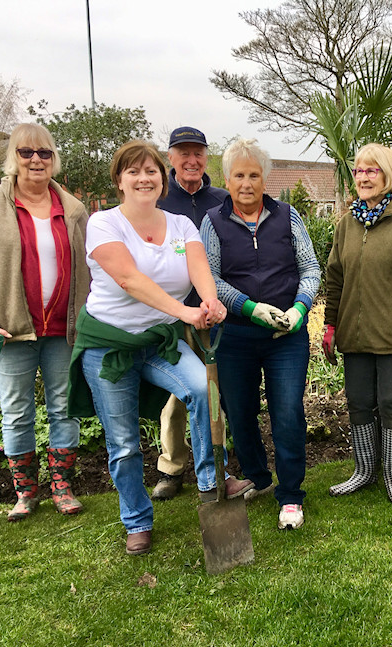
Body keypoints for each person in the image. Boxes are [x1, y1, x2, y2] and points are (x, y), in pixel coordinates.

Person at [68, 140, 225, 555]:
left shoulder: (180, 225)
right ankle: (136, 520)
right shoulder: (104, 224)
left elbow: (199, 268)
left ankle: (211, 485)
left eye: (151, 171)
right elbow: (129, 280)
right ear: (119, 180)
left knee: (203, 392)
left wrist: (208, 301)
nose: (144, 178)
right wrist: (185, 312)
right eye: (133, 171)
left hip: (159, 343)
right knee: (124, 444)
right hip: (109, 346)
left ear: (162, 178)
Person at [0, 123, 90, 522]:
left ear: (53, 159)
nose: (36, 160)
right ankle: (26, 492)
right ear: (14, 157)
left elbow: (91, 272)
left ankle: (62, 485)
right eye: (27, 152)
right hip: (8, 334)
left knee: (64, 408)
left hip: (63, 331)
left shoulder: (74, 210)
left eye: (44, 153)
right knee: (16, 411)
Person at [200, 138, 320, 530]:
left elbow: (310, 268)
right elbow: (210, 279)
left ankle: (290, 495)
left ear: (264, 178)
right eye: (239, 175)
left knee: (287, 412)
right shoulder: (213, 222)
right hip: (235, 336)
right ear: (227, 179)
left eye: (254, 174)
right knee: (240, 413)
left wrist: (299, 308)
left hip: (285, 337)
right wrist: (250, 308)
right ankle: (258, 475)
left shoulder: (288, 216)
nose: (247, 183)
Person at [323, 143, 392, 505]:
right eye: (358, 170)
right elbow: (335, 277)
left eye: (371, 170)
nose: (363, 177)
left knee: (390, 403)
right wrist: (330, 326)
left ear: (388, 175)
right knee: (358, 402)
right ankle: (364, 471)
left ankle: (391, 474)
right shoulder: (347, 224)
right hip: (354, 336)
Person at [150, 126, 246, 502]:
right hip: (171, 313)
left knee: (214, 392)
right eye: (183, 153)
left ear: (208, 157)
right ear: (170, 158)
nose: (192, 160)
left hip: (216, 313)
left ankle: (220, 467)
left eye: (198, 153)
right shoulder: (158, 199)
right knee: (176, 397)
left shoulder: (222, 199)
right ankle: (171, 468)